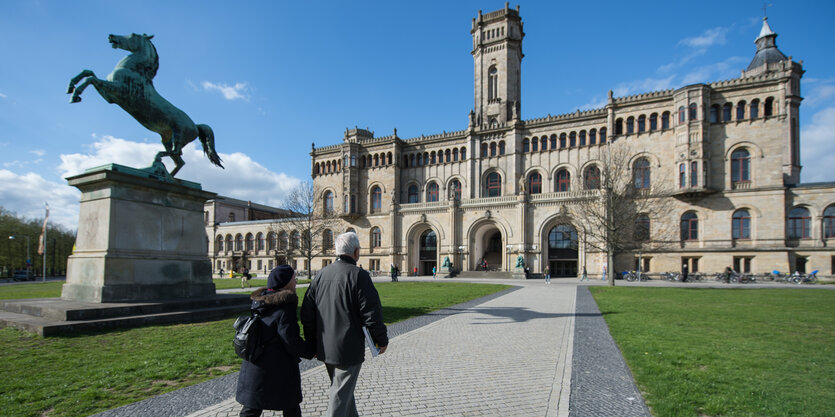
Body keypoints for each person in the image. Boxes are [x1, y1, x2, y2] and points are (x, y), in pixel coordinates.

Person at [301, 232, 388, 417]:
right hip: (347, 349)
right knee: (339, 398)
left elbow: (307, 312)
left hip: (324, 346)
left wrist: (312, 342)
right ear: (356, 252)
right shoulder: (359, 275)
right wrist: (381, 340)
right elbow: (372, 314)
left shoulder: (321, 274)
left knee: (343, 392)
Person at [236, 265, 315, 417]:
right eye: (294, 279)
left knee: (252, 408)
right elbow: (291, 341)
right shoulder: (284, 308)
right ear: (285, 283)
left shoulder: (261, 302)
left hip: (256, 365)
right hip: (278, 368)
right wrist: (311, 351)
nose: (295, 283)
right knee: (291, 407)